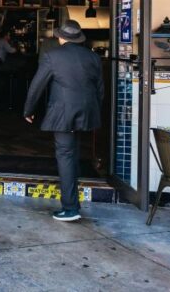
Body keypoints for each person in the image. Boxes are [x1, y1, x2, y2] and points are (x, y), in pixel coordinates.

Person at [23, 20, 104, 222]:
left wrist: (29, 110)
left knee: (66, 155)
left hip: (64, 113)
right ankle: (71, 201)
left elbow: (37, 86)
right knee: (73, 152)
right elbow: (100, 89)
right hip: (87, 110)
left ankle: (70, 208)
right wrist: (93, 109)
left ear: (61, 37)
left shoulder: (53, 56)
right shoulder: (93, 57)